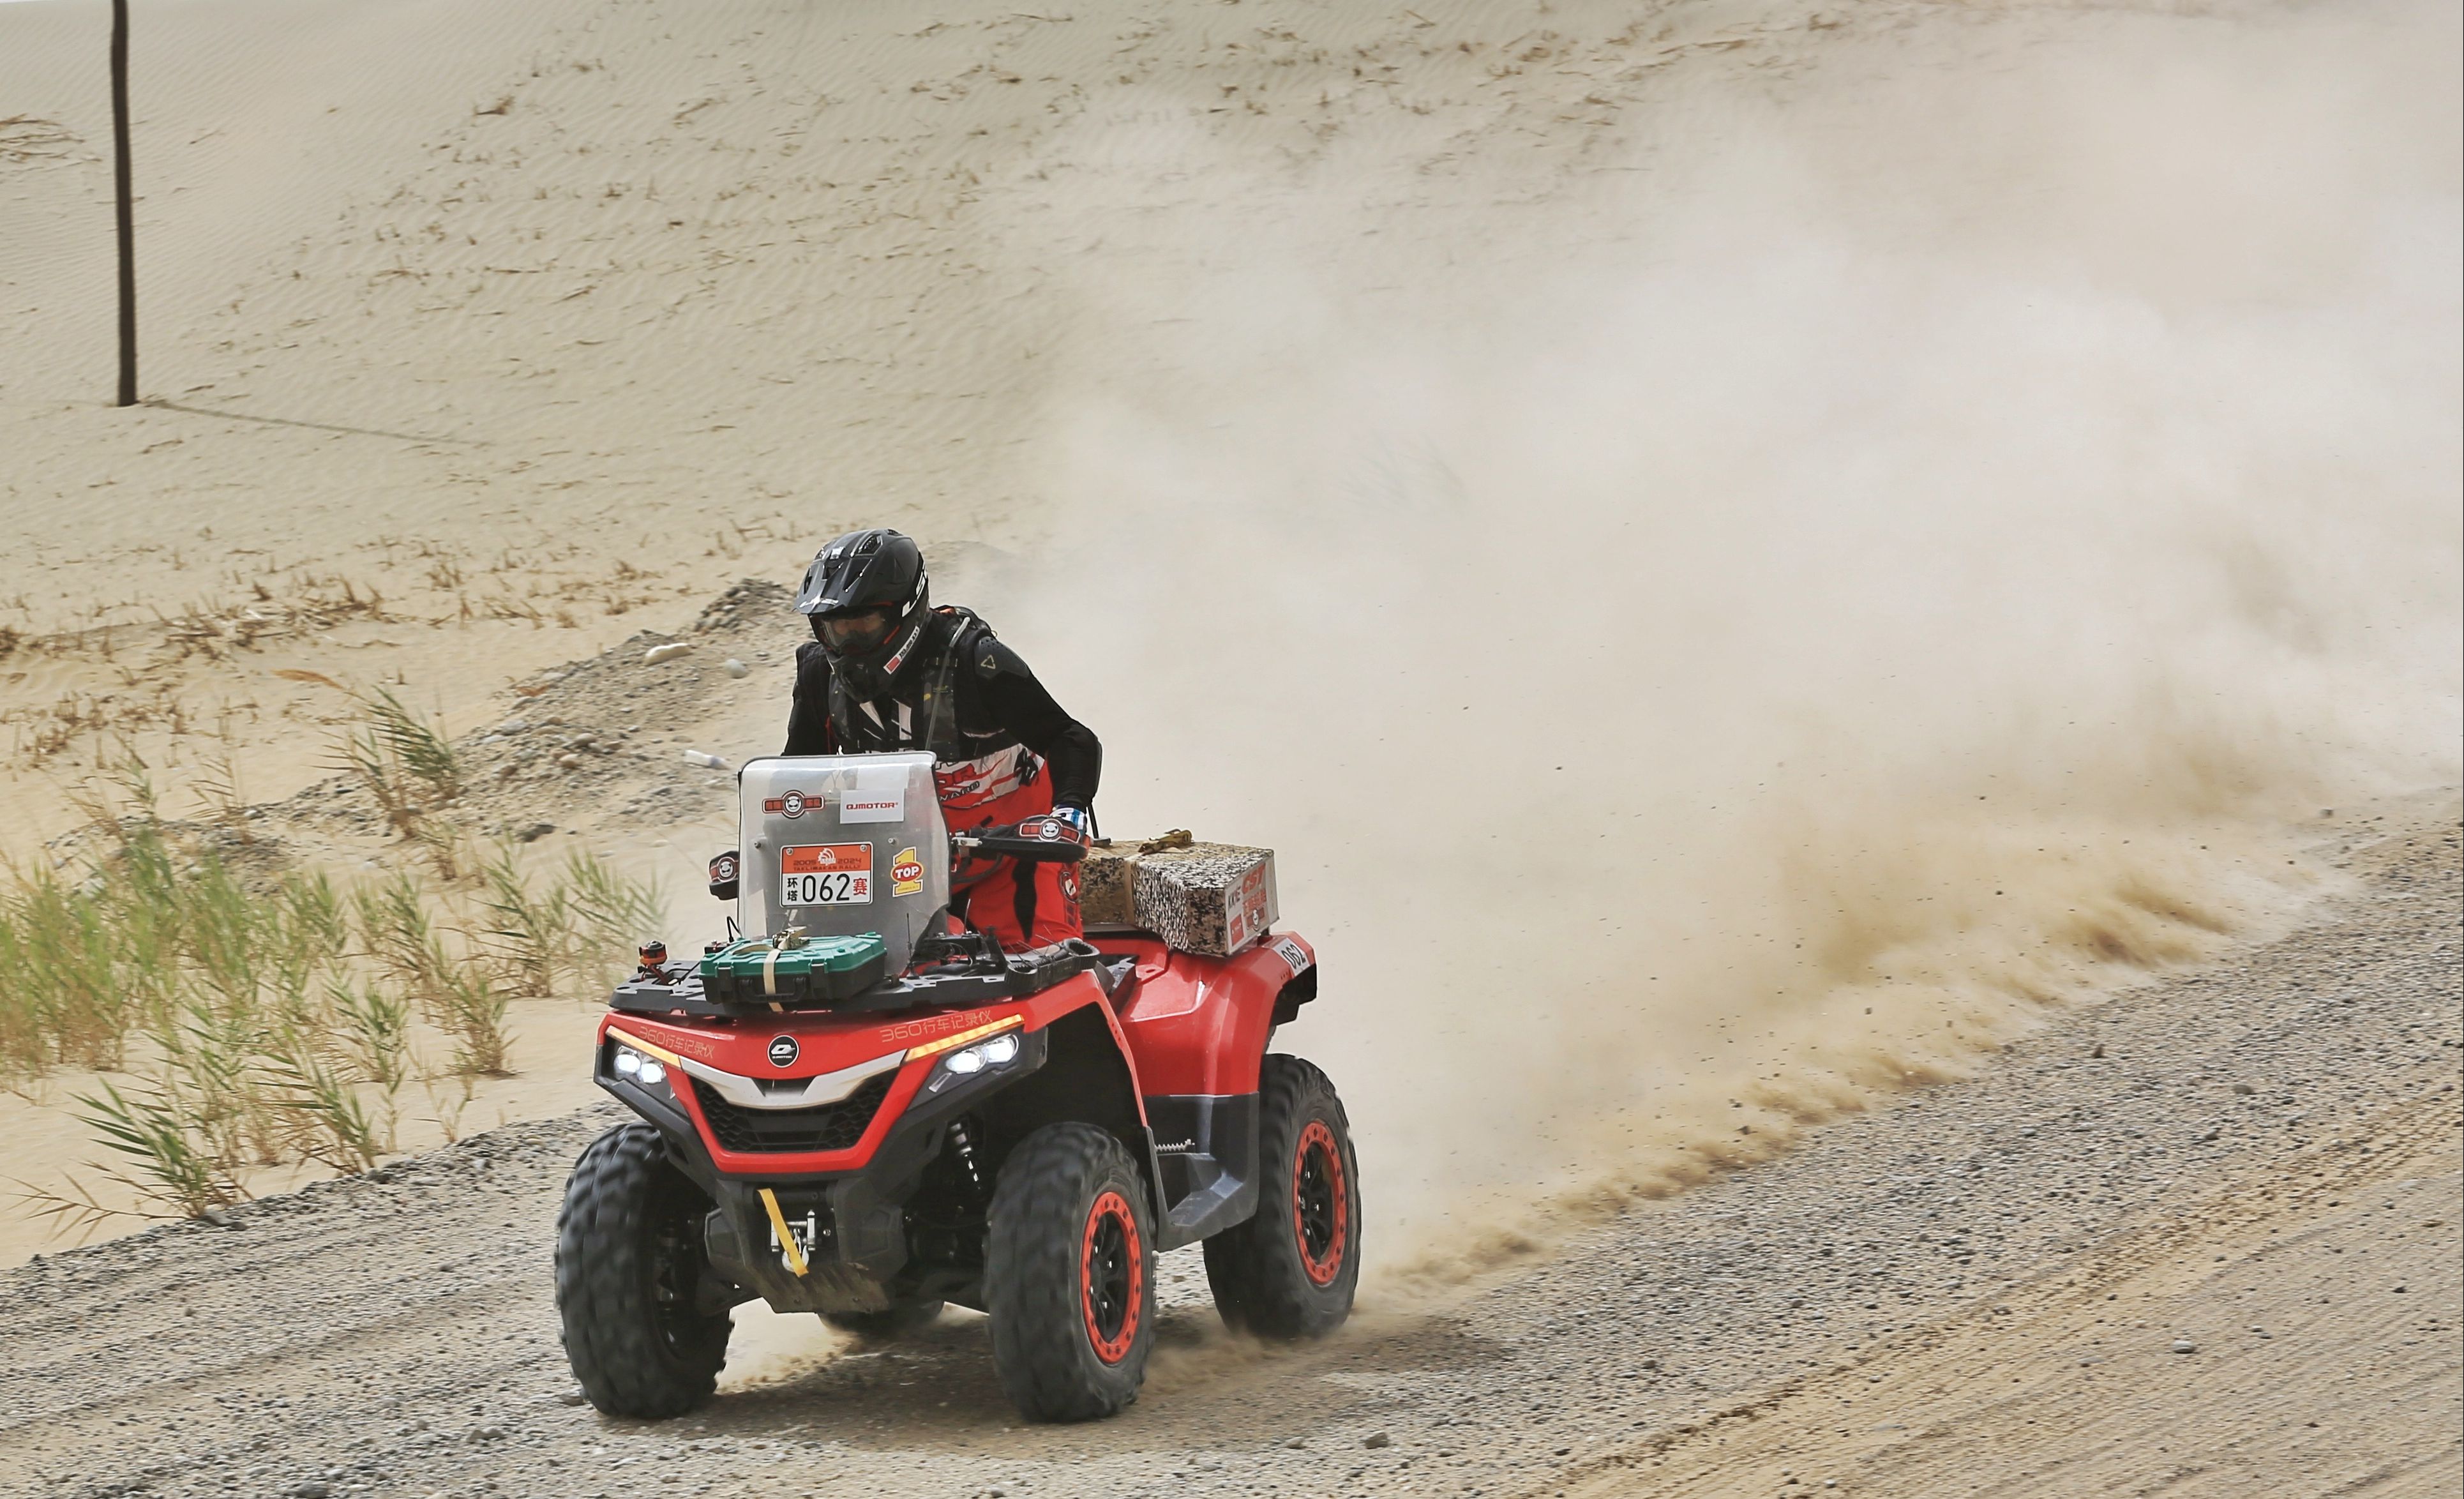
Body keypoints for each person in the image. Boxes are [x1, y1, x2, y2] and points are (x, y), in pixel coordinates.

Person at [784, 529, 1099, 951]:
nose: (850, 644)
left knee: (1044, 960)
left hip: (1012, 855)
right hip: (896, 862)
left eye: (864, 625)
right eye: (837, 629)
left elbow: (1070, 738)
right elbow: (796, 776)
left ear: (907, 610)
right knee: (846, 966)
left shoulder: (975, 662)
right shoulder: (819, 675)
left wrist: (1067, 814)